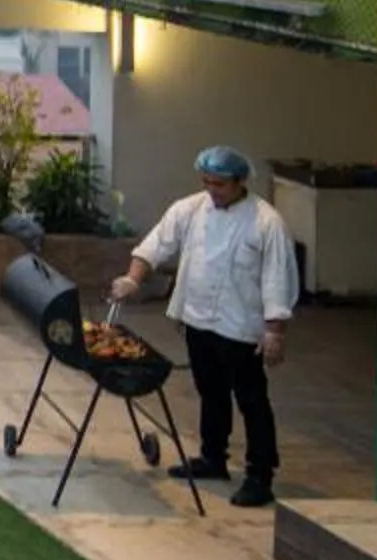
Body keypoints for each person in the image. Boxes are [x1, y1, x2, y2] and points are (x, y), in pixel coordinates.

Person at [109, 145, 300, 509]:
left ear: (240, 182)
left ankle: (260, 474)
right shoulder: (190, 209)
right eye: (208, 182)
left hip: (240, 326)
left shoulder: (265, 222)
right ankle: (213, 457)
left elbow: (278, 280)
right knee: (210, 390)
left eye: (221, 184)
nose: (213, 190)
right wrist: (133, 280)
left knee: (251, 399)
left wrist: (275, 331)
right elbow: (155, 244)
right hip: (197, 318)